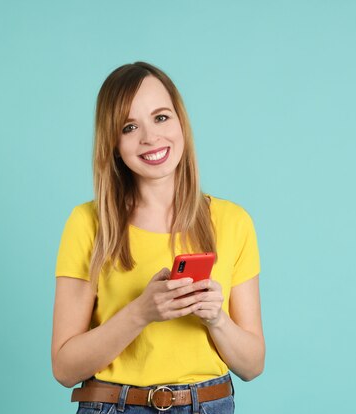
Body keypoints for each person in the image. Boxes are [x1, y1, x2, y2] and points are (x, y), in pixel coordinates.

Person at [52, 62, 264, 414]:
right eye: (129, 126)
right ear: (114, 144)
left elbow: (253, 365)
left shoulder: (233, 221)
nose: (150, 137)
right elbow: (64, 368)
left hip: (210, 405)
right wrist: (141, 312)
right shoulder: (88, 223)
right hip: (114, 406)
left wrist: (217, 319)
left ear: (181, 122)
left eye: (161, 117)